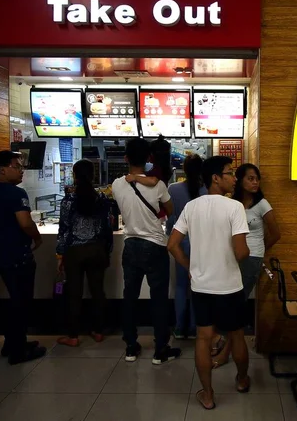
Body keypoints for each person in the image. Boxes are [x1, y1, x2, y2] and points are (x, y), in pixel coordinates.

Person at [168, 156, 251, 411]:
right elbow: (241, 252)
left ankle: (208, 394)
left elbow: (172, 245)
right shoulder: (234, 207)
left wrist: (191, 268)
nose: (234, 177)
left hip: (202, 287)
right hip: (230, 286)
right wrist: (235, 257)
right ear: (215, 178)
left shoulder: (192, 207)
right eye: (229, 173)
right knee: (236, 335)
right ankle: (241, 379)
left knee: (203, 339)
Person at [112, 138, 181, 364]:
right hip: (154, 245)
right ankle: (160, 349)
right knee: (158, 298)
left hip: (130, 245)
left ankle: (131, 346)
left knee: (129, 296)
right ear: (149, 159)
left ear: (125, 158)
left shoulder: (116, 185)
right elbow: (170, 211)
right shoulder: (158, 185)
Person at [0, 150, 46, 365]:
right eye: (17, 166)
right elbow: (25, 223)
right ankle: (18, 351)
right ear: (3, 170)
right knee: (21, 303)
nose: (21, 170)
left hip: (1, 257)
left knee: (14, 300)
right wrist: (37, 239)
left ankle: (12, 343)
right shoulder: (16, 194)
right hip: (20, 256)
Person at [211, 163, 281, 367]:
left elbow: (276, 233)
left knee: (236, 306)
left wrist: (258, 251)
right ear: (240, 180)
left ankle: (225, 353)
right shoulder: (232, 204)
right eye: (250, 178)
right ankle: (223, 343)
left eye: (257, 178)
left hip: (251, 260)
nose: (255, 182)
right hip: (233, 258)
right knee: (231, 305)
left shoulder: (262, 205)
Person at [55, 159, 113, 347]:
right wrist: (107, 251)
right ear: (93, 175)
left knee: (74, 293)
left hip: (74, 252)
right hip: (96, 250)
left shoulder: (69, 200)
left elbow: (63, 229)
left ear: (74, 175)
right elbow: (107, 228)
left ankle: (73, 336)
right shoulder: (102, 199)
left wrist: (60, 254)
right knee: (98, 291)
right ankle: (98, 331)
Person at [167, 155, 207, 339]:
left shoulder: (173, 189)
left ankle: (179, 327)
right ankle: (193, 328)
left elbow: (171, 220)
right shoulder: (207, 191)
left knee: (181, 286)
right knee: (197, 286)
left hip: (180, 243)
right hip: (202, 244)